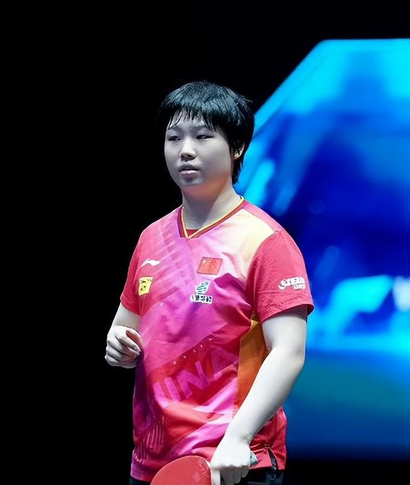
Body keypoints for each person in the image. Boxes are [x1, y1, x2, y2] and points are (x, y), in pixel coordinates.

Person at [105, 81, 314, 485]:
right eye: (174, 138)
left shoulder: (265, 241)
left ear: (237, 147)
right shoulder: (151, 237)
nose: (185, 150)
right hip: (152, 462)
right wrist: (119, 345)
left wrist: (239, 438)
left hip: (232, 462)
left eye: (202, 137)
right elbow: (125, 328)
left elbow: (288, 352)